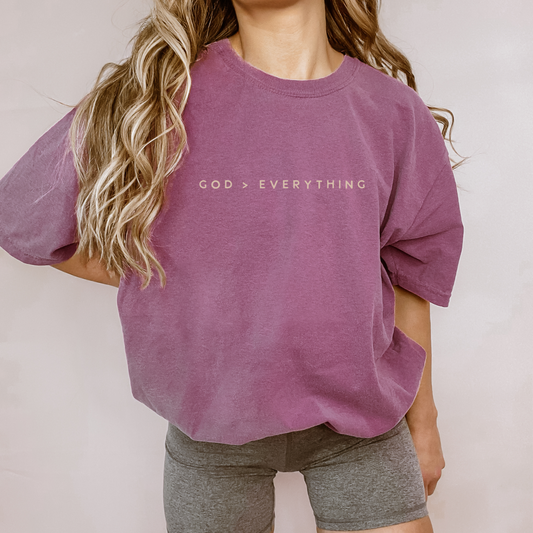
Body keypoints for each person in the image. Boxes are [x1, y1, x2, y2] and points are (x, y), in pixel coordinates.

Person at [0, 0, 464, 531]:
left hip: (365, 432)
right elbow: (20, 214)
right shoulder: (156, 97)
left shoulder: (393, 111)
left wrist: (424, 422)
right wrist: (155, 266)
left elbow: (409, 277)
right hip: (210, 437)